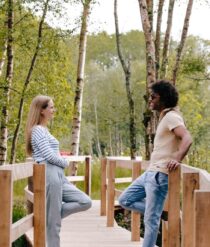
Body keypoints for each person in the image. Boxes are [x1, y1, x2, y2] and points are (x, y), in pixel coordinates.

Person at [118, 80, 192, 247]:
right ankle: (157, 212)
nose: (150, 100)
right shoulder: (165, 117)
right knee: (124, 200)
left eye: (153, 97)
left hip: (160, 175)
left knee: (150, 221)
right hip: (151, 173)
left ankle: (155, 214)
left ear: (164, 98)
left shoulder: (172, 117)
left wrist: (178, 157)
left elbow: (187, 138)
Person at [25, 95, 92, 247]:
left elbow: (50, 152)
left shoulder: (44, 130)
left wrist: (61, 161)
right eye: (51, 107)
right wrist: (65, 162)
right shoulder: (37, 131)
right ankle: (51, 222)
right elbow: (48, 155)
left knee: (85, 201)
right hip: (49, 173)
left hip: (58, 175)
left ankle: (50, 217)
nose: (53, 110)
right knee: (54, 225)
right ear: (41, 111)